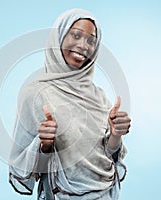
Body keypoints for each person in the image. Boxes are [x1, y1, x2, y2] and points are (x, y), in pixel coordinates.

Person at [8, 8, 131, 200]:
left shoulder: (99, 97)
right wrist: (44, 146)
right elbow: (19, 164)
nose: (84, 46)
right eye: (76, 35)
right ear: (59, 37)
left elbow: (109, 155)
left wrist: (115, 135)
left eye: (91, 41)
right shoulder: (35, 94)